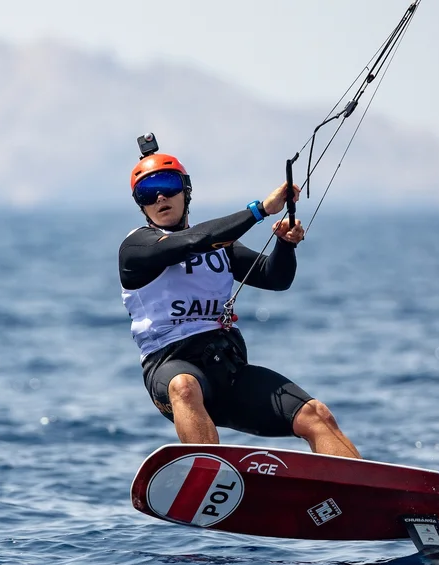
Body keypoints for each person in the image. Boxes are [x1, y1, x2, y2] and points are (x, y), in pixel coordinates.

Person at [118, 146, 361, 459]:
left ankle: (367, 497)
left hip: (227, 369)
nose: (160, 198)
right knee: (184, 386)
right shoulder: (136, 247)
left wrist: (285, 245)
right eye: (147, 193)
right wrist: (260, 209)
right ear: (141, 205)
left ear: (186, 190)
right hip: (170, 367)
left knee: (317, 415)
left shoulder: (222, 248)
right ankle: (210, 477)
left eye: (167, 186)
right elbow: (191, 242)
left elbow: (275, 278)